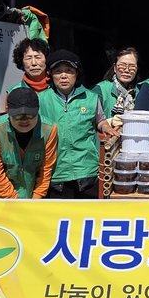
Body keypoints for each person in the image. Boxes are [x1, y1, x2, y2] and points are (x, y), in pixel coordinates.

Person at [40, 48, 116, 199]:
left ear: (76, 73)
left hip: (87, 170)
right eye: (58, 71)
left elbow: (100, 120)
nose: (63, 76)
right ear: (50, 74)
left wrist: (106, 127)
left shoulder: (91, 97)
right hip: (56, 171)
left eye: (69, 71)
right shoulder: (41, 99)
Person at [0, 88, 58, 199]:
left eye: (30, 115)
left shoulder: (49, 129)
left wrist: (36, 199)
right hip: (4, 197)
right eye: (17, 116)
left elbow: (46, 170)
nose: (24, 120)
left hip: (35, 197)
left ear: (37, 110)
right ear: (8, 111)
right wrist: (16, 202)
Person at [92, 46, 141, 129]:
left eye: (132, 66)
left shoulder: (140, 91)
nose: (127, 70)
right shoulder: (100, 90)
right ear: (115, 68)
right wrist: (109, 123)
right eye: (122, 65)